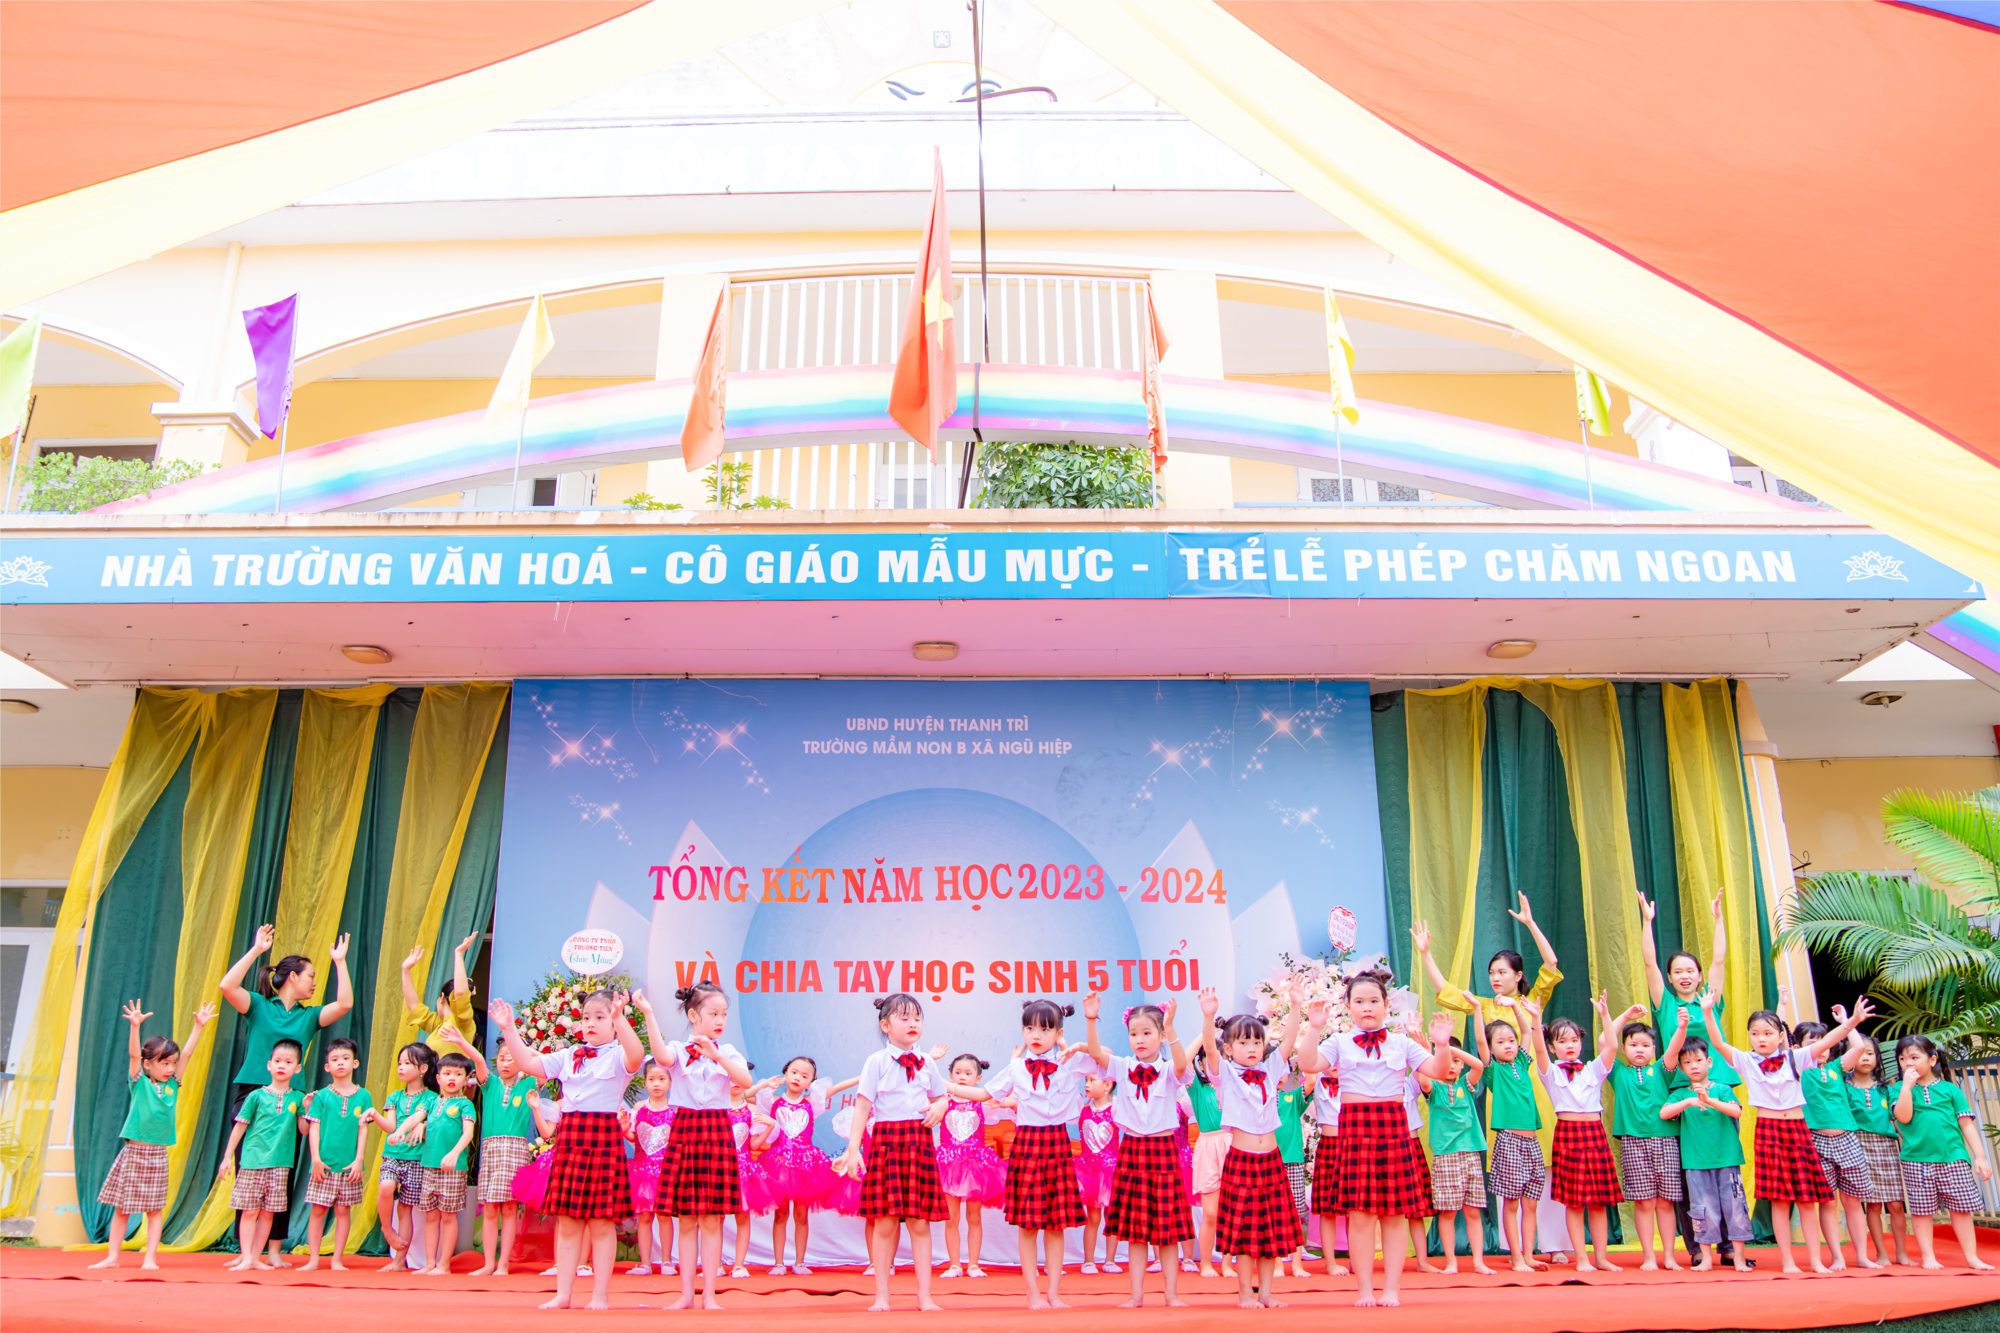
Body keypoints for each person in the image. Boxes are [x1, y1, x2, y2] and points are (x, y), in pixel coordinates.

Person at [1297, 972, 1447, 1308]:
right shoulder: (1339, 1042)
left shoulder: (1401, 1043)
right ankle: (1364, 1290)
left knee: (1393, 1214)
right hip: (1355, 1130)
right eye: (1360, 1001)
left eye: (1374, 1001)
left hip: (1394, 1129)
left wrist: (1441, 1044)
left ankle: (1391, 1289)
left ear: (1386, 1005)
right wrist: (1315, 1027)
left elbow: (1438, 1071)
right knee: (1361, 1215)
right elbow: (1308, 1063)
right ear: (1348, 1006)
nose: (1367, 1007)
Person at [490, 987, 644, 1310]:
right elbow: (528, 1063)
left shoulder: (618, 1055)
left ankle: (600, 1296)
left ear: (614, 1022)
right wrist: (508, 1028)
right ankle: (563, 1294)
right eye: (586, 1017)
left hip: (603, 1138)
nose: (591, 1023)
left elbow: (636, 1055)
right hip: (571, 1137)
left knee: (601, 1222)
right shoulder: (569, 1055)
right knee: (569, 1220)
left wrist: (620, 1019)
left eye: (600, 1017)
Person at [1698, 989, 1871, 1273]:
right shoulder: (1746, 1060)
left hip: (1798, 1129)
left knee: (1807, 1198)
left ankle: (1815, 1260)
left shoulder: (1796, 1057)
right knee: (1779, 1200)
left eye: (1768, 1033)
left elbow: (1828, 1041)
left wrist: (1851, 1021)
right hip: (1769, 1130)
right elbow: (1717, 1042)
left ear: (1781, 1036)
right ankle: (1788, 1261)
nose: (1761, 1038)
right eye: (1755, 1033)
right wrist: (1707, 1011)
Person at [216, 925, 352, 1268]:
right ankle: (246, 1252)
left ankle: (274, 1250)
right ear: (293, 977)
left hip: (291, 1100)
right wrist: (256, 950)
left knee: (282, 1173)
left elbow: (345, 1003)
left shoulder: (309, 1016)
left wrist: (340, 962)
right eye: (311, 976)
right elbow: (227, 986)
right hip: (254, 1092)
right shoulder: (259, 1006)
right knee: (248, 1171)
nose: (314, 982)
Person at [836, 992, 971, 1313]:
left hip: (919, 1142)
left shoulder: (927, 1062)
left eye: (917, 1018)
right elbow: (862, 1107)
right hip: (886, 1143)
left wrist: (939, 1107)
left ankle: (925, 1297)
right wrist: (853, 1150)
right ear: (885, 1025)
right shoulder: (876, 1062)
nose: (913, 1024)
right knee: (884, 1224)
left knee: (919, 1224)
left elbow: (941, 1097)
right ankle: (882, 1296)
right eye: (905, 1018)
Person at [638, 982, 754, 1309]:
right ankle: (686, 1294)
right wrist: (649, 1014)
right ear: (693, 1016)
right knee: (687, 1219)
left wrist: (717, 1056)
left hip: (717, 1130)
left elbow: (745, 1082)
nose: (720, 1020)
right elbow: (660, 1057)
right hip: (686, 1130)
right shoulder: (678, 1049)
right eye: (713, 1014)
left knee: (712, 1219)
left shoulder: (727, 1051)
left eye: (724, 1014)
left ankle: (709, 1295)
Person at [1199, 982, 1308, 1310]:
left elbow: (1287, 1042)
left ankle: (1266, 1293)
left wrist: (1296, 1006)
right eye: (1243, 1042)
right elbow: (1210, 1049)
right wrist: (1208, 1017)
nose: (1251, 1047)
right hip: (1242, 1160)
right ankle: (1245, 1293)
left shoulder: (1271, 1069)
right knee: (1246, 1232)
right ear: (1229, 1048)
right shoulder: (1225, 1074)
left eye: (1257, 1042)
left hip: (1271, 1160)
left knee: (1270, 1230)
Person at [1081, 994, 1195, 1308]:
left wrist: (1172, 1028)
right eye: (1134, 1034)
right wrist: (1091, 1018)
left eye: (1147, 1033)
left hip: (1163, 1150)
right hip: (1131, 1150)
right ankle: (1136, 1295)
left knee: (1167, 1229)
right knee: (1135, 1230)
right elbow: (1095, 1052)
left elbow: (1182, 1066)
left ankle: (1171, 1294)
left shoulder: (1169, 1070)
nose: (1140, 1040)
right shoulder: (1121, 1066)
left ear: (1161, 1036)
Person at [90, 999, 216, 1271]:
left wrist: (199, 1026)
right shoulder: (138, 1082)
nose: (170, 1068)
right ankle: (113, 1257)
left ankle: (150, 1258)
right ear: (148, 1065)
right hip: (133, 1153)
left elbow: (188, 1055)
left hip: (157, 1154)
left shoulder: (172, 1085)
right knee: (122, 1209)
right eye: (164, 1063)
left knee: (154, 1210)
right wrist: (135, 1026)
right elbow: (134, 1056)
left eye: (172, 1063)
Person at [984, 999, 1093, 1310]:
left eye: (1045, 1029)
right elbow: (985, 1093)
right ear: (1023, 1030)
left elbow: (1105, 1058)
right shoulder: (1016, 1067)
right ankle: (1033, 1294)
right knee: (1028, 1224)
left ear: (1058, 1033)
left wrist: (1079, 1046)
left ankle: (1054, 1294)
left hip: (1057, 1143)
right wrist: (944, 1091)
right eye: (1030, 1028)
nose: (1036, 1035)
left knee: (1056, 1225)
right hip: (1027, 1145)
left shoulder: (1071, 1063)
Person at [1542, 996, 1638, 1273]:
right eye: (1562, 1041)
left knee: (1599, 1202)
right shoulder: (1551, 1072)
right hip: (1568, 1134)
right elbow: (1537, 1048)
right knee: (1574, 1203)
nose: (1570, 1045)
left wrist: (1607, 1014)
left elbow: (1612, 1045)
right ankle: (1582, 1258)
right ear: (1552, 1047)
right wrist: (1536, 1021)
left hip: (1595, 1134)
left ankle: (1601, 1258)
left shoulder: (1593, 1069)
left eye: (1574, 1040)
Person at [436, 1022, 536, 1277]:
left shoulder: (529, 1084)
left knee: (509, 1208)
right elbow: (479, 1060)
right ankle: (489, 1263)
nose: (506, 1063)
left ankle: (504, 1265)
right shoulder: (489, 1083)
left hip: (515, 1150)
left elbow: (543, 1063)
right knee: (491, 1207)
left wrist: (522, 1050)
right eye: (502, 1058)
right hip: (491, 1150)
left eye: (512, 1058)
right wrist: (461, 1042)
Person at [1892, 1034, 1994, 1271]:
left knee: (1961, 1209)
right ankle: (1928, 1257)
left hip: (1953, 1158)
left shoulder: (1950, 1089)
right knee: (1922, 1211)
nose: (1908, 1063)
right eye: (1902, 1059)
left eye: (1914, 1057)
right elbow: (1903, 1117)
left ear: (1932, 1059)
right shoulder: (1899, 1088)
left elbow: (1966, 1125)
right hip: (1916, 1160)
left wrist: (1980, 1157)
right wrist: (1906, 1087)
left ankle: (1971, 1257)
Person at [1658, 1035, 1751, 1271]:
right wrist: (1689, 1101)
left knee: (1735, 1208)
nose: (1694, 1066)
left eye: (1698, 1060)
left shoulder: (1722, 1089)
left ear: (1709, 1062)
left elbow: (1736, 1112)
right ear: (1681, 1068)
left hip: (1727, 1160)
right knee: (1702, 1211)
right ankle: (1706, 1259)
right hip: (1696, 1163)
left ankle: (1739, 1258)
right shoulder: (1680, 1094)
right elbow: (1664, 1113)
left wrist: (1709, 1099)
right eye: (1687, 1062)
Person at [1794, 1013, 1879, 1270]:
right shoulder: (1799, 1070)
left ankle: (1862, 1256)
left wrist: (1846, 1021)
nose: (1821, 1049)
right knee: (1828, 1201)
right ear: (1798, 1048)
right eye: (1813, 1044)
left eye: (1826, 1044)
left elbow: (1858, 1047)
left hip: (1847, 1139)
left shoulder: (1836, 1068)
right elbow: (1786, 1051)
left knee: (1853, 1201)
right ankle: (1837, 1257)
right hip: (1816, 1141)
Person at [759, 1055, 857, 1276]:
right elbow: (746, 1095)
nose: (798, 1078)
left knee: (801, 1216)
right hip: (779, 1165)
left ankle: (800, 1262)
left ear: (811, 1082)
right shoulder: (772, 1101)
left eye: (805, 1076)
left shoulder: (811, 1103)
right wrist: (765, 1086)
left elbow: (838, 1088)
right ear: (785, 1074)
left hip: (805, 1168)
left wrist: (864, 1077)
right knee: (781, 1215)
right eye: (794, 1072)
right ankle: (778, 1263)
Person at [1608, 1008, 1687, 1271]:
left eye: (1645, 1045)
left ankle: (1669, 1256)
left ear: (1654, 1049)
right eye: (1633, 1045)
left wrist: (1682, 1027)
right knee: (1644, 1203)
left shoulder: (1661, 1070)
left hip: (1666, 1141)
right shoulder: (1618, 1072)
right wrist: (1624, 1017)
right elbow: (1604, 1041)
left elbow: (1674, 1050)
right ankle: (1649, 1256)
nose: (1639, 1050)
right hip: (1633, 1142)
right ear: (1623, 1048)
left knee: (1665, 1203)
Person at [219, 1037, 306, 1272]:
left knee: (268, 1214)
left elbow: (304, 1130)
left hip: (280, 1165)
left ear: (297, 1068)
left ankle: (256, 1258)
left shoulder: (298, 1098)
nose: (281, 1066)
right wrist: (227, 1157)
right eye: (277, 1061)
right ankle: (246, 1257)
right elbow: (240, 1126)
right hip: (252, 1162)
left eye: (288, 1062)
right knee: (249, 1211)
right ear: (269, 1065)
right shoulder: (256, 1096)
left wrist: (307, 1109)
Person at [1473, 1000, 1545, 1273]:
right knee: (1512, 1203)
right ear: (1491, 1049)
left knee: (1531, 1203)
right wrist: (1477, 1010)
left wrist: (1516, 1006)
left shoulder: (1522, 1063)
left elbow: (1526, 1031)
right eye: (1501, 1042)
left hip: (1532, 1142)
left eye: (1511, 1041)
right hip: (1510, 1141)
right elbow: (1481, 1039)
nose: (1508, 1045)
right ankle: (1516, 1257)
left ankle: (1528, 1255)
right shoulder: (1494, 1070)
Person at [1418, 1033, 1491, 1275]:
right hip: (1446, 1156)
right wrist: (1432, 1052)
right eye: (1445, 1061)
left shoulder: (1465, 1085)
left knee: (1473, 1211)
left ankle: (1478, 1261)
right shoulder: (1434, 1088)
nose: (1451, 1065)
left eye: (1456, 1062)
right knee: (1448, 1213)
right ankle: (1451, 1261)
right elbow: (1423, 1078)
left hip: (1470, 1154)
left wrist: (1448, 1049)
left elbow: (1478, 1065)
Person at [300, 1035, 372, 1272]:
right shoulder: (321, 1096)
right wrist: (316, 1159)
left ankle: (337, 1260)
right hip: (324, 1165)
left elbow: (363, 1128)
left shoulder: (364, 1096)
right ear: (327, 1066)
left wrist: (359, 1159)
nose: (340, 1062)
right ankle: (313, 1260)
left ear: (355, 1063)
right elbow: (314, 1128)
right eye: (334, 1059)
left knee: (343, 1211)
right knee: (318, 1210)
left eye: (345, 1058)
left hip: (349, 1166)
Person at [934, 1054, 1006, 1278]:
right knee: (951, 1218)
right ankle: (954, 1264)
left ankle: (973, 1264)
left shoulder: (983, 1104)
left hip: (975, 1168)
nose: (962, 1077)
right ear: (950, 1076)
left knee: (974, 1217)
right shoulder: (943, 1102)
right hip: (948, 1166)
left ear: (978, 1079)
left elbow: (1003, 1105)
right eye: (957, 1073)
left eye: (968, 1073)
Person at [372, 1041, 440, 1273]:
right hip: (393, 1155)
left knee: (405, 1209)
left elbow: (428, 1121)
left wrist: (423, 1125)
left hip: (417, 1159)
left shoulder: (432, 1098)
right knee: (386, 1186)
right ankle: (386, 1229)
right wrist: (375, 1116)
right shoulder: (394, 1097)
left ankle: (400, 1261)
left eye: (407, 1063)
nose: (401, 1067)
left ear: (422, 1069)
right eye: (399, 1063)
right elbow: (391, 1127)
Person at [1846, 1034, 1911, 1266]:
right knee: (1872, 1205)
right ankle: (1881, 1253)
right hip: (1858, 1145)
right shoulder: (1843, 1089)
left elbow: (1898, 1117)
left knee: (1895, 1204)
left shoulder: (1886, 1089)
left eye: (1870, 1053)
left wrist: (1908, 1142)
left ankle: (1901, 1253)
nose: (1865, 1058)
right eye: (1859, 1053)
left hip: (1886, 1147)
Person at [416, 1051, 478, 1275]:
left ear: (466, 1079)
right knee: (431, 1216)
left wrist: (454, 1153)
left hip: (453, 1169)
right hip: (429, 1166)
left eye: (458, 1074)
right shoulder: (432, 1101)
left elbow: (468, 1133)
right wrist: (412, 1127)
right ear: (438, 1077)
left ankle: (444, 1265)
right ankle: (429, 1263)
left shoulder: (465, 1105)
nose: (452, 1078)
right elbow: (419, 1118)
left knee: (448, 1217)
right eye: (447, 1073)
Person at [623, 1059, 677, 1277]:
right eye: (651, 1079)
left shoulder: (675, 1110)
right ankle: (645, 1263)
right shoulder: (639, 1109)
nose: (656, 1083)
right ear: (645, 1082)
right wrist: (624, 1129)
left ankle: (666, 1262)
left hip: (666, 1172)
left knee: (664, 1216)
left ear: (671, 1082)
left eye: (662, 1079)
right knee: (644, 1217)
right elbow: (633, 1137)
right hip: (642, 1172)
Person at [726, 1069, 777, 1278]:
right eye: (731, 1079)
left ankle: (739, 1265)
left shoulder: (751, 1110)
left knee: (742, 1217)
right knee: (714, 1218)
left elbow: (754, 1145)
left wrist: (770, 1127)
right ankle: (715, 1264)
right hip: (719, 1169)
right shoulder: (715, 1108)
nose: (735, 1083)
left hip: (743, 1171)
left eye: (740, 1079)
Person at [1186, 1056, 1231, 1278]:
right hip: (1207, 1146)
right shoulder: (1197, 1087)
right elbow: (1183, 1060)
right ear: (1201, 1064)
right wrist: (1206, 1037)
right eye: (1209, 1059)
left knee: (1232, 1212)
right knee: (1211, 1213)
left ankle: (1228, 1264)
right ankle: (1206, 1263)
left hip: (1233, 1143)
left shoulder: (1233, 1084)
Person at [399, 936, 480, 1060]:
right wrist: (405, 970)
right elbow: (413, 1006)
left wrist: (459, 954)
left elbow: (460, 992)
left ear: (441, 998)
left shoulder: (462, 1023)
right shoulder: (440, 1025)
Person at [1075, 1070, 1121, 1275]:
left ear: (1107, 1085)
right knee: (1092, 1218)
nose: (1086, 1084)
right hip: (1089, 1173)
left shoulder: (1117, 1107)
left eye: (1092, 1080)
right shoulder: (1082, 1108)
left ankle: (1110, 1260)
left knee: (1112, 1217)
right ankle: (1089, 1261)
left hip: (1111, 1172)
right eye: (1086, 1080)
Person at [1273, 1065, 1312, 1278]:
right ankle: (1277, 1264)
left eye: (1284, 1070)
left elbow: (1312, 1080)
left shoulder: (1293, 1095)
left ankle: (1297, 1265)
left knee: (1295, 1214)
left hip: (1293, 1161)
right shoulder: (1262, 1097)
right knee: (1273, 1215)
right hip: (1269, 1161)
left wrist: (1297, 1050)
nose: (1280, 1076)